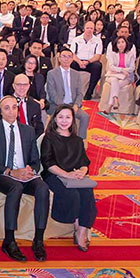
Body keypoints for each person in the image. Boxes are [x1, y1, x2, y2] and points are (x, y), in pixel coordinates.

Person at [0, 96, 50, 262]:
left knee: (43, 188)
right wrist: (11, 172)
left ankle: (38, 240)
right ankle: (9, 240)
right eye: (6, 108)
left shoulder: (28, 131)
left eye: (14, 107)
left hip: (24, 174)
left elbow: (35, 160)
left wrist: (30, 170)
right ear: (0, 111)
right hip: (0, 175)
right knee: (16, 187)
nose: (11, 111)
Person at [40, 105, 96, 252]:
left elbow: (84, 162)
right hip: (54, 175)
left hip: (74, 175)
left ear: (73, 120)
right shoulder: (49, 138)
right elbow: (48, 163)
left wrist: (82, 172)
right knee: (72, 194)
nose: (64, 121)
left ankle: (81, 231)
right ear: (54, 119)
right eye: (60, 117)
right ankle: (76, 224)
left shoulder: (77, 140)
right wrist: (66, 174)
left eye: (68, 117)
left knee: (87, 193)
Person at [45, 48, 90, 138]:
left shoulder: (76, 74)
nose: (66, 59)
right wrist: (63, 107)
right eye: (64, 56)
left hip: (72, 105)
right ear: (59, 58)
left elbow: (80, 93)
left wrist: (76, 105)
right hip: (56, 105)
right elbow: (52, 93)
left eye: (69, 57)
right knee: (59, 115)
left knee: (85, 117)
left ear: (72, 59)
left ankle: (80, 141)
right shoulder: (52, 73)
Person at [71, 20, 104, 100]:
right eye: (87, 28)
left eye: (91, 28)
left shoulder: (98, 41)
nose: (89, 30)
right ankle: (71, 91)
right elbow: (72, 54)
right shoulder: (76, 39)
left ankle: (89, 92)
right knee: (70, 64)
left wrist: (88, 62)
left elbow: (98, 55)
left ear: (94, 29)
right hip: (78, 61)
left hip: (90, 62)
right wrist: (79, 62)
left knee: (98, 66)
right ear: (84, 28)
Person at [103, 36, 136, 113]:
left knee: (115, 83)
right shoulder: (112, 54)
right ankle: (115, 100)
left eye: (122, 42)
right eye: (118, 43)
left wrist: (120, 71)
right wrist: (122, 70)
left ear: (126, 43)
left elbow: (132, 68)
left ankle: (110, 104)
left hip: (126, 77)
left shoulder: (130, 54)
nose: (121, 44)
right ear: (116, 44)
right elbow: (111, 66)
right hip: (113, 75)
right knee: (114, 80)